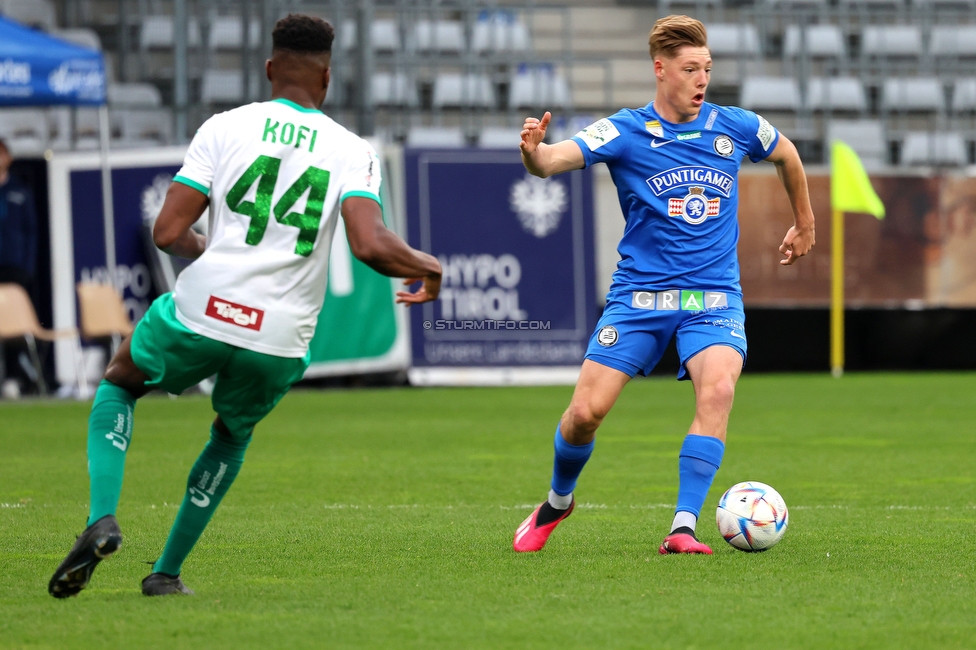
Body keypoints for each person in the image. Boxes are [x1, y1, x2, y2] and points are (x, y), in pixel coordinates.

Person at [49, 14, 442, 598]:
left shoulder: (225, 127)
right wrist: (428, 266)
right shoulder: (352, 151)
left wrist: (211, 247)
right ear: (327, 79)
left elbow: (167, 232)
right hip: (282, 337)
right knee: (230, 435)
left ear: (268, 69)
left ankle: (102, 517)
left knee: (120, 382)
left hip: (207, 308)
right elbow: (369, 244)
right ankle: (166, 573)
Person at [512, 15, 815, 555]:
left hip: (713, 299)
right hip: (639, 299)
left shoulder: (735, 126)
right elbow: (553, 161)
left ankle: (682, 526)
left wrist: (805, 222)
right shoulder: (624, 131)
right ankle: (558, 501)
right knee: (584, 416)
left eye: (707, 68)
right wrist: (534, 152)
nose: (702, 79)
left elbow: (788, 154)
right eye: (691, 68)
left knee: (718, 390)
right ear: (660, 69)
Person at [0, 137, 39, 396]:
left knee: (13, 325)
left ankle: (13, 377)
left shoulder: (20, 192)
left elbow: (31, 232)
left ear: (8, 158)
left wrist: (27, 267)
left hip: (14, 267)